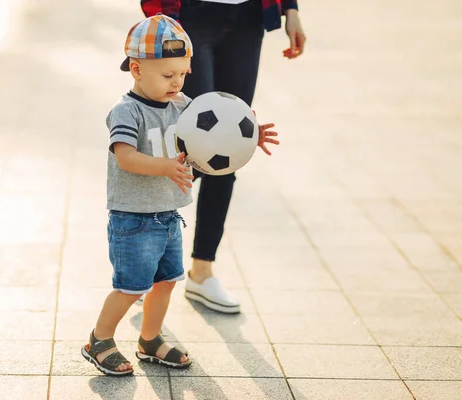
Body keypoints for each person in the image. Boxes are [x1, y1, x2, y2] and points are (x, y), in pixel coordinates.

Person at [82, 13, 279, 376]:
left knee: (166, 282)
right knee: (130, 287)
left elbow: (215, 134)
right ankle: (100, 339)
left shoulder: (183, 106)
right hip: (133, 218)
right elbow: (125, 157)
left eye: (183, 74)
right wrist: (164, 167)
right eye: (168, 75)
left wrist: (248, 135)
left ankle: (150, 339)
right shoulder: (127, 111)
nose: (177, 82)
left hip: (169, 214)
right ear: (137, 69)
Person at [141, 0, 306, 313]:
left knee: (229, 146)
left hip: (248, 17)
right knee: (190, 147)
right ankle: (142, 261)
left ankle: (202, 272)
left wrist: (291, 10)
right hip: (188, 16)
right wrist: (159, 24)